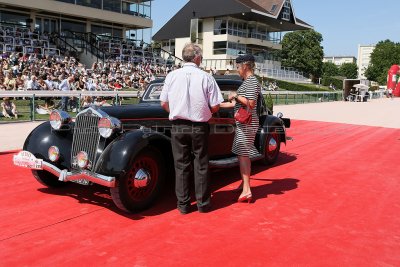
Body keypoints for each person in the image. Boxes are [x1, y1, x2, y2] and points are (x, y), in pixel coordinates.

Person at [160, 43, 224, 214]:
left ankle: (183, 205)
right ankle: (203, 204)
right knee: (201, 164)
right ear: (196, 57)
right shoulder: (206, 77)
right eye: (201, 57)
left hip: (178, 125)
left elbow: (164, 103)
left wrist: (175, 111)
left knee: (181, 165)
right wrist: (206, 112)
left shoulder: (172, 76)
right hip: (199, 125)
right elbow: (216, 105)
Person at [220, 54, 261, 203]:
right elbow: (235, 104)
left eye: (237, 66)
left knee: (243, 155)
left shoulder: (251, 81)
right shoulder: (248, 81)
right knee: (242, 154)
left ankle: (247, 190)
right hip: (245, 122)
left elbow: (250, 103)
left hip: (247, 123)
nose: (237, 69)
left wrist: (235, 95)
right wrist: (218, 105)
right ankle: (245, 185)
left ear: (245, 65)